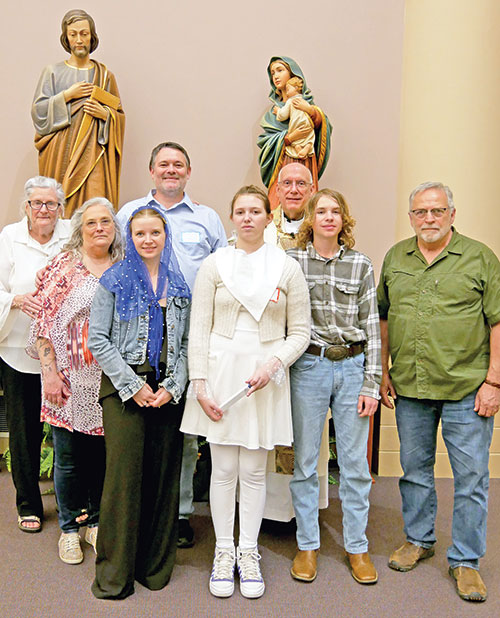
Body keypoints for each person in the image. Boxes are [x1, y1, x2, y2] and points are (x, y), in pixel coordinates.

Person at [181, 185, 310, 598]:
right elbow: (197, 329)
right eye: (241, 211)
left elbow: (301, 333)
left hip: (264, 376)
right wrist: (199, 384)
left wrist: (274, 364)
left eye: (256, 211)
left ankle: (249, 553)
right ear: (232, 217)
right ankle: (223, 552)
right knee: (222, 471)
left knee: (255, 472)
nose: (249, 217)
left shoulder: (286, 267)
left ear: (268, 217)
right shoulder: (214, 265)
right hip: (221, 375)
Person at [377, 182, 500, 603]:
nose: (428, 219)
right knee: (414, 471)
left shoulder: (480, 258)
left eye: (436, 211)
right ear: (411, 217)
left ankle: (465, 561)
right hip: (411, 385)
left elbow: (498, 321)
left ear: (451, 214)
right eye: (420, 212)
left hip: (468, 387)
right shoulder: (396, 257)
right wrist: (382, 371)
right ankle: (419, 538)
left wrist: (494, 381)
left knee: (470, 479)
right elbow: (384, 318)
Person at [117, 141, 227, 548]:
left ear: (188, 171)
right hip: (137, 335)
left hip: (192, 334)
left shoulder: (208, 218)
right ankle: (138, 511)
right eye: (163, 164)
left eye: (178, 164)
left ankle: (178, 513)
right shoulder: (127, 213)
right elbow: (112, 266)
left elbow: (223, 272)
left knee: (182, 433)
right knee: (136, 429)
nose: (170, 170)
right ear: (151, 171)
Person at [88, 205, 191, 600]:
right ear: (128, 239)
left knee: (163, 478)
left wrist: (172, 385)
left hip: (166, 391)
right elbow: (99, 339)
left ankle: (154, 567)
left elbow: (185, 344)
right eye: (139, 234)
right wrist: (134, 386)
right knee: (123, 480)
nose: (148, 240)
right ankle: (115, 574)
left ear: (165, 237)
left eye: (155, 233)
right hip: (124, 391)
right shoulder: (114, 280)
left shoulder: (179, 286)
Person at [287, 189, 381, 585]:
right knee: (306, 461)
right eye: (321, 211)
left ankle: (356, 546)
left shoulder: (361, 265)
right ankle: (307, 544)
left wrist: (372, 384)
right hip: (309, 366)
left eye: (335, 211)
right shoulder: (291, 262)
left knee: (355, 466)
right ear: (310, 219)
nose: (328, 217)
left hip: (352, 368)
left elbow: (373, 327)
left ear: (344, 219)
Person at [26, 197, 121, 563]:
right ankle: (68, 529)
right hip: (66, 378)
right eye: (91, 222)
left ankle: (95, 522)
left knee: (101, 455)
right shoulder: (63, 267)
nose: (99, 228)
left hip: (109, 380)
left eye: (106, 222)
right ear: (80, 229)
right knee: (67, 458)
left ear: (115, 230)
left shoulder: (123, 268)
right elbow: (43, 324)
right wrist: (49, 374)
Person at [0, 176, 70, 533]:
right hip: (17, 351)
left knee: (68, 430)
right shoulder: (9, 237)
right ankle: (28, 503)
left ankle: (71, 501)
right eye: (37, 204)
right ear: (26, 207)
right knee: (24, 432)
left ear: (61, 207)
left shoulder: (72, 234)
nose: (44, 210)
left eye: (51, 204)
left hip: (66, 353)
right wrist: (15, 300)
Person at [263, 163, 330, 523]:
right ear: (277, 188)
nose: (293, 189)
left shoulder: (324, 225)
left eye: (300, 184)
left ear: (311, 187)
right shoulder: (259, 224)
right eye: (286, 183)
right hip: (270, 343)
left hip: (311, 345)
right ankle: (272, 511)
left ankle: (303, 512)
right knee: (271, 426)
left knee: (306, 427)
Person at [32, 9, 125, 217]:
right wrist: (66, 96)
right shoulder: (52, 72)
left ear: (92, 37)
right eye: (73, 34)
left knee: (95, 207)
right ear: (66, 38)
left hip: (93, 153)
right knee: (60, 205)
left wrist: (105, 115)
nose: (79, 40)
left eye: (84, 33)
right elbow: (39, 113)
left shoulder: (104, 76)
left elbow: (118, 113)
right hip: (60, 153)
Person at [257, 56, 332, 210]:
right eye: (272, 73)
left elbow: (322, 127)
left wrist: (310, 110)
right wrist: (290, 137)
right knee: (278, 209)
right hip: (284, 163)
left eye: (280, 70)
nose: (275, 76)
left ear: (293, 75)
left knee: (306, 207)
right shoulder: (274, 113)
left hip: (305, 161)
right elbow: (266, 142)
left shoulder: (306, 104)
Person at [275, 77, 315, 159]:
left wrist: (278, 111)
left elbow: (283, 115)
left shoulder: (290, 101)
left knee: (295, 139)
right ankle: (308, 146)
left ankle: (297, 148)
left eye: (288, 89)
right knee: (310, 135)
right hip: (307, 124)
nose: (286, 93)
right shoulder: (304, 100)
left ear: (296, 88)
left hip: (297, 124)